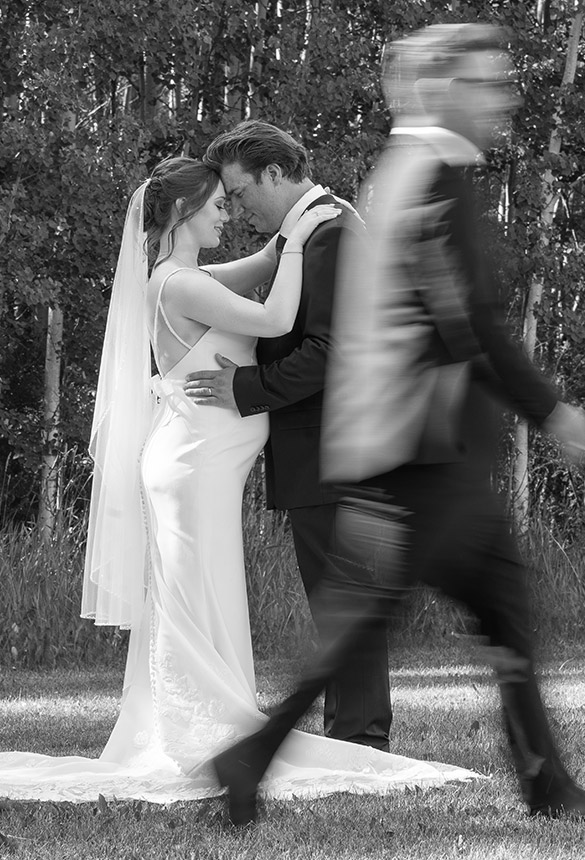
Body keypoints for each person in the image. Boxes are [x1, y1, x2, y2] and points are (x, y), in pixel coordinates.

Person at [0, 156, 480, 802]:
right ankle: (197, 732)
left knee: (206, 600)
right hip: (190, 468)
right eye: (215, 204)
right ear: (181, 213)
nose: (225, 213)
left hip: (201, 467)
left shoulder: (193, 277)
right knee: (194, 601)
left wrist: (312, 216)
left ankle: (207, 723)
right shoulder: (179, 285)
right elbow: (272, 319)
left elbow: (263, 265)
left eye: (231, 199)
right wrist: (297, 236)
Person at [210, 24, 585, 826]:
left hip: (401, 446)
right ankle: (543, 783)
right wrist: (550, 409)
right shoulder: (430, 177)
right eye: (485, 84)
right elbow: (465, 322)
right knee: (460, 608)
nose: (499, 100)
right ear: (440, 88)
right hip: (423, 451)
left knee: (453, 609)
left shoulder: (404, 172)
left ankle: (540, 780)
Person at [187, 120, 393, 751]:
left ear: (274, 174)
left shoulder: (329, 235)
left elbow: (335, 350)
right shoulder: (310, 232)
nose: (238, 207)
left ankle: (360, 739)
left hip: (335, 445)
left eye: (241, 191)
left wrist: (246, 388)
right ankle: (354, 732)